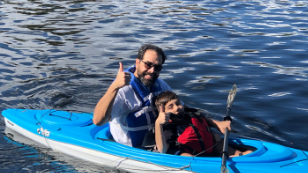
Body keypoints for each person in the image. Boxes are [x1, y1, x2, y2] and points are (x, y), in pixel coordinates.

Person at [93, 44, 231, 148]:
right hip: (132, 150)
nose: (152, 70)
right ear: (137, 62)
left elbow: (182, 108)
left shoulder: (160, 85)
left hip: (160, 142)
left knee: (213, 139)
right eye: (148, 64)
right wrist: (114, 87)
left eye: (157, 67)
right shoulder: (123, 90)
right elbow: (98, 121)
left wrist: (215, 124)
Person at [154, 91, 252, 157]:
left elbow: (203, 121)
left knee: (219, 143)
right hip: (190, 157)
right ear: (163, 111)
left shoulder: (190, 114)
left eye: (178, 103)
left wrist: (217, 125)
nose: (177, 108)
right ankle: (228, 162)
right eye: (170, 107)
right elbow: (163, 150)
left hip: (206, 149)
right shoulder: (168, 127)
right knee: (185, 156)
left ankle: (240, 156)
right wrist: (158, 123)